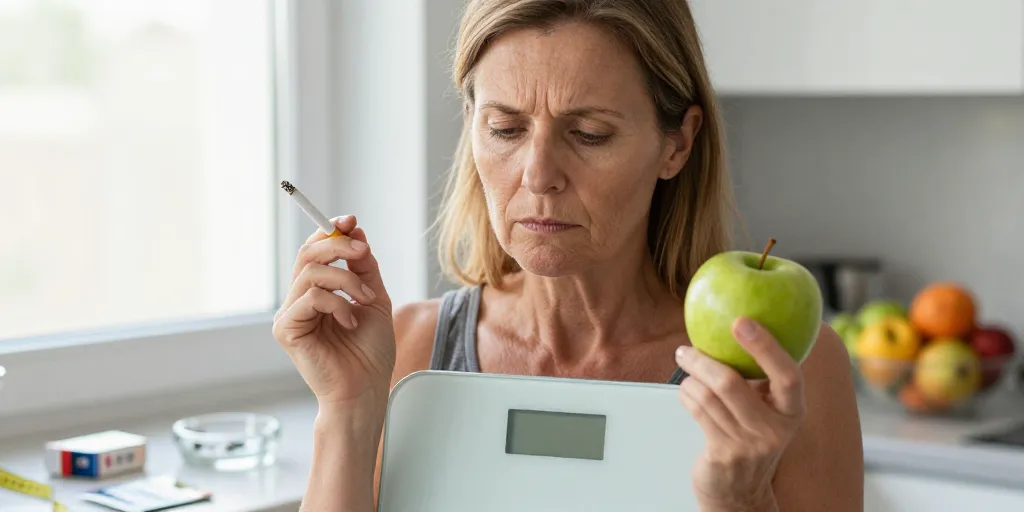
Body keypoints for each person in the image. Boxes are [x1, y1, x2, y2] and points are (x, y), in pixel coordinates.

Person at [272, 0, 864, 510]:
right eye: (505, 128)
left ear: (677, 144)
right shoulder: (407, 354)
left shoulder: (787, 371)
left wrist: (741, 502)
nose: (539, 175)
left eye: (589, 135)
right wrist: (346, 411)